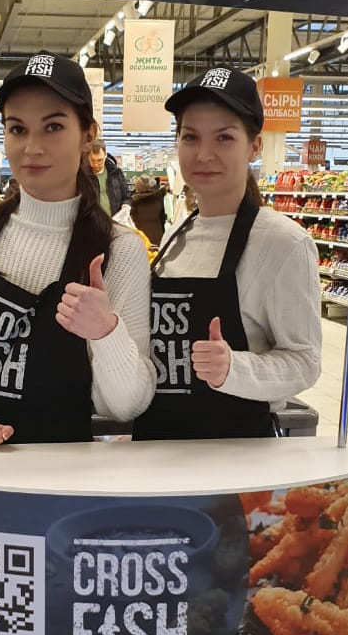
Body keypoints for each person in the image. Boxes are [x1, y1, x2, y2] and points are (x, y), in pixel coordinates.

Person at [0, 51, 155, 452]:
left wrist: (106, 332)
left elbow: (125, 406)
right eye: (17, 129)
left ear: (87, 134)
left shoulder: (118, 250)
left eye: (53, 127)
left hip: (63, 475)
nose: (32, 147)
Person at [133, 68, 321, 441]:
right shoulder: (177, 233)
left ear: (255, 146)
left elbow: (305, 362)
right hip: (155, 445)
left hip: (236, 453)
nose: (204, 154)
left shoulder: (283, 243)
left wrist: (233, 368)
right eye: (190, 137)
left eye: (224, 137)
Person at [88, 141, 131, 215]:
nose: (96, 164)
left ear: (105, 155)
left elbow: (127, 196)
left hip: (114, 219)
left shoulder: (116, 173)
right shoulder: (83, 176)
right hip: (93, 220)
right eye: (92, 160)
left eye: (99, 160)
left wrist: (126, 205)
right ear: (88, 157)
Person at [130, 175, 167, 246]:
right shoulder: (158, 197)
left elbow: (133, 219)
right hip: (158, 235)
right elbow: (162, 218)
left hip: (142, 237)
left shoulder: (135, 202)